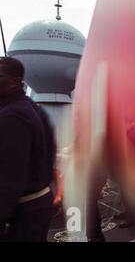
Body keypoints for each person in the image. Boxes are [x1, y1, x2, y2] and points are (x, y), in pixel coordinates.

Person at [0, 57, 56, 242]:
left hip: (22, 211)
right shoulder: (33, 108)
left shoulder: (12, 116)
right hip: (39, 204)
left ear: (15, 82)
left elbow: (9, 177)